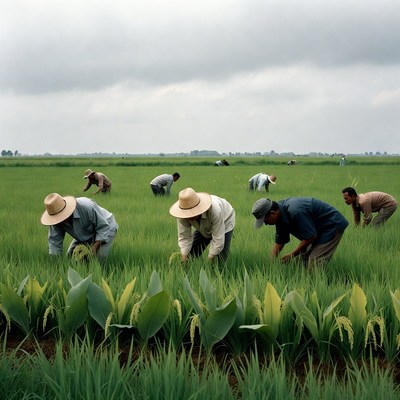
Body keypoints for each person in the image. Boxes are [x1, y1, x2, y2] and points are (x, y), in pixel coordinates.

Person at [252, 197, 348, 267]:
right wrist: (271, 263)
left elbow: (310, 236)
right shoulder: (280, 216)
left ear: (272, 213)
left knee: (314, 262)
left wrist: (292, 254)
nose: (266, 224)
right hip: (315, 229)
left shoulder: (295, 211)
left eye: (265, 221)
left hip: (331, 226)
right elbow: (280, 241)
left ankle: (313, 288)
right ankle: (303, 283)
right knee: (301, 260)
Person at [40, 193, 118, 264]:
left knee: (99, 256)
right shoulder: (56, 221)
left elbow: (103, 227)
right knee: (70, 257)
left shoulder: (86, 207)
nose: (60, 220)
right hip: (84, 232)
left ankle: (99, 275)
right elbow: (54, 242)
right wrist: (56, 264)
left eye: (61, 217)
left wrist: (95, 247)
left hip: (106, 226)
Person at [169, 187, 235, 264]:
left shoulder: (215, 210)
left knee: (220, 258)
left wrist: (210, 257)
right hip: (203, 226)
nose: (189, 217)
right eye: (187, 214)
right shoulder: (182, 215)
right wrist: (184, 256)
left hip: (225, 220)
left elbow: (218, 238)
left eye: (192, 213)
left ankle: (219, 273)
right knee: (191, 254)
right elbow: (184, 237)